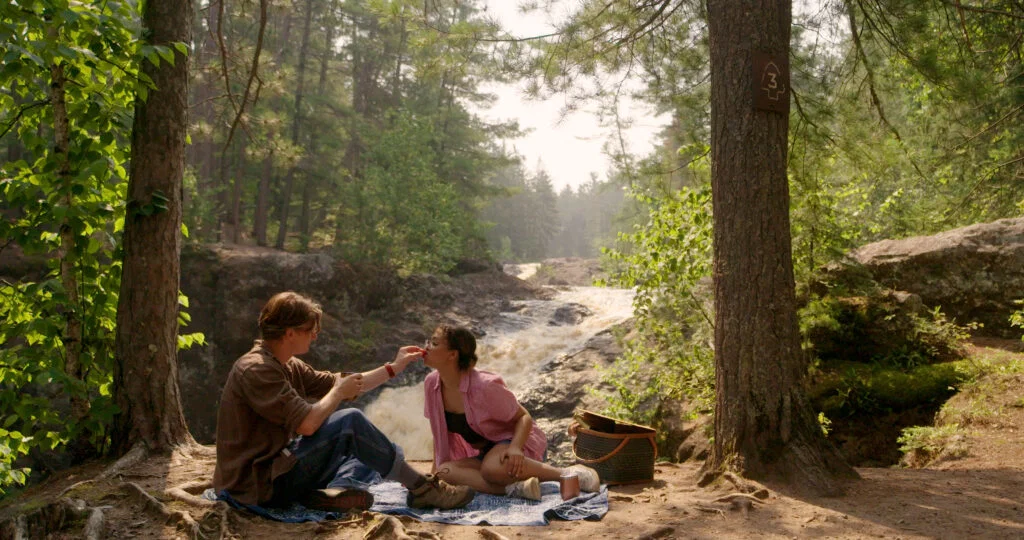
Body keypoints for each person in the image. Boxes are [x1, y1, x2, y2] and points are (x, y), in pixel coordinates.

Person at [213, 291, 475, 513]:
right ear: (290, 332)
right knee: (350, 422)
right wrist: (338, 393)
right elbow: (307, 425)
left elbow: (347, 383)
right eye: (310, 330)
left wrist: (393, 368)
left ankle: (334, 491)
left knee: (369, 447)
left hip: (279, 466)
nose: (315, 335)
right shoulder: (257, 370)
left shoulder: (287, 364)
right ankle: (422, 489)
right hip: (258, 484)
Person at [420, 324, 601, 501]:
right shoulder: (431, 384)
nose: (426, 346)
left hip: (517, 445)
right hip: (485, 454)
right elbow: (438, 432)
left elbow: (524, 417)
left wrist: (515, 447)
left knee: (491, 469)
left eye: (434, 343)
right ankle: (515, 489)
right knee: (445, 472)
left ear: (453, 354)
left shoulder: (485, 385)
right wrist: (433, 474)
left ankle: (567, 473)